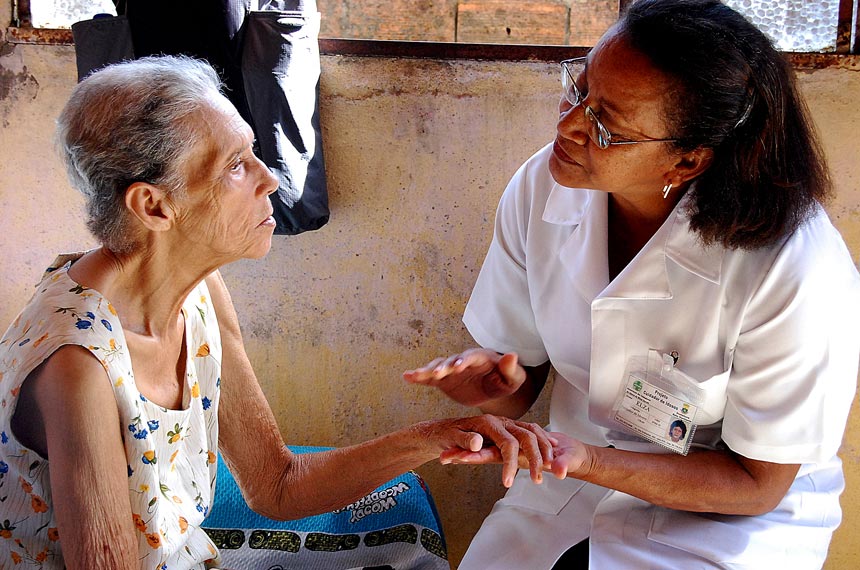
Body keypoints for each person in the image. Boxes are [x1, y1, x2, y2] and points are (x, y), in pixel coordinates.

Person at [0, 56, 557, 569]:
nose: (269, 178)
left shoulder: (198, 293)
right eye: (235, 167)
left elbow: (279, 485)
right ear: (155, 205)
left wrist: (442, 435)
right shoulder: (79, 367)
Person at [403, 0, 860, 567]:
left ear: (687, 162)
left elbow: (756, 482)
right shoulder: (544, 188)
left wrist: (586, 458)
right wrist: (491, 383)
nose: (568, 125)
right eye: (580, 89)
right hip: (568, 486)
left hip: (731, 517)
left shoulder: (793, 266)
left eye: (607, 125)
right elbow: (520, 375)